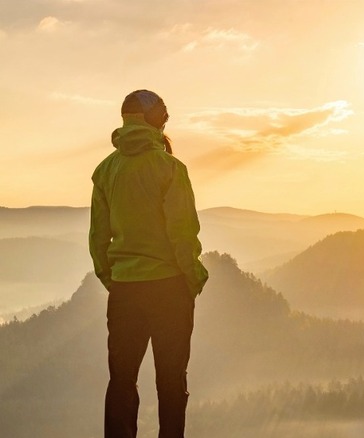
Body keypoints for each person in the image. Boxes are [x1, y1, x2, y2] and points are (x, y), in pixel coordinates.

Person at [89, 89, 209, 438]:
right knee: (172, 382)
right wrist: (193, 280)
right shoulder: (170, 169)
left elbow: (99, 238)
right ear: (159, 121)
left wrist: (115, 280)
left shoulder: (106, 171)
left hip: (125, 291)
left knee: (122, 382)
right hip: (170, 288)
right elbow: (183, 234)